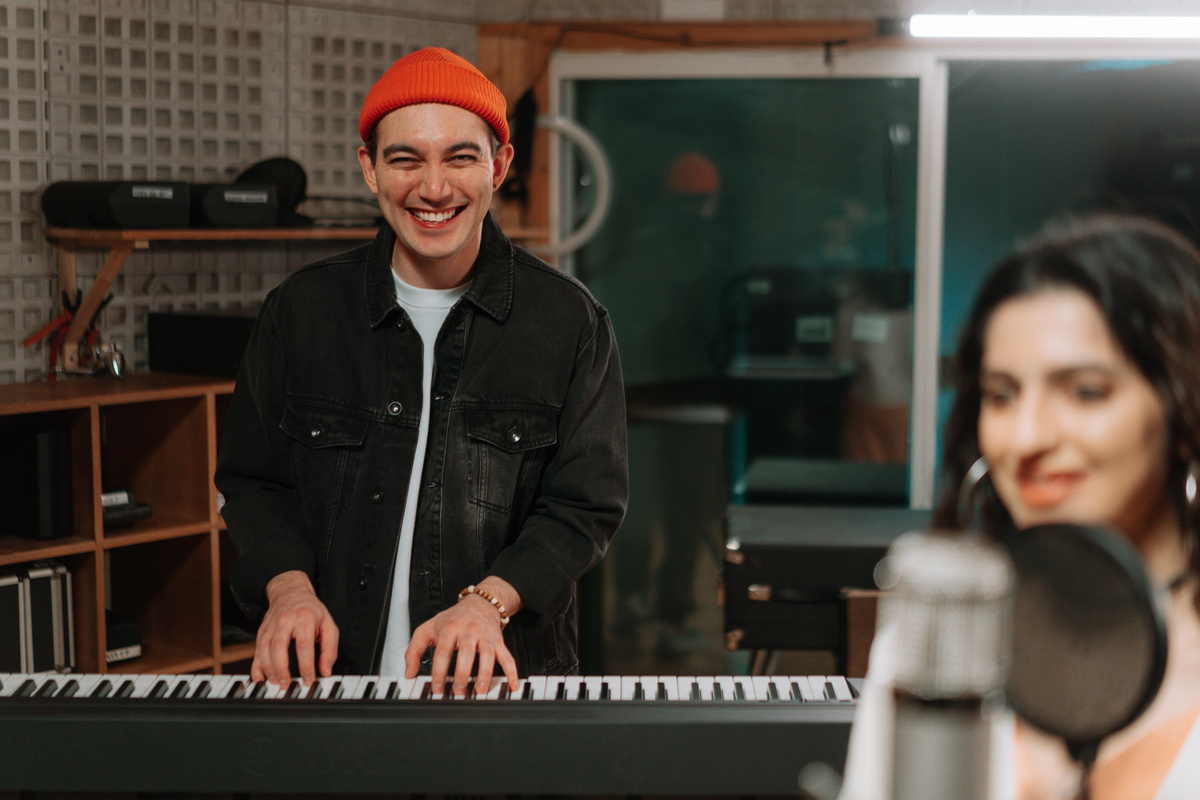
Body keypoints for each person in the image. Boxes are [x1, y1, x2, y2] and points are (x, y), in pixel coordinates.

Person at [214, 47, 628, 697]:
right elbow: (252, 481)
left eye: (460, 157)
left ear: (499, 165)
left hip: (502, 691)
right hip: (325, 688)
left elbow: (585, 505)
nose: (433, 188)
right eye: (405, 159)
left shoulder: (570, 322)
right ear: (370, 170)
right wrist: (288, 589)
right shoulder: (300, 312)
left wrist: (486, 605)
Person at [839, 212, 1200, 800]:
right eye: (1001, 395)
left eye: (1085, 392)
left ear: (1184, 410)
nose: (1026, 437)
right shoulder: (940, 637)